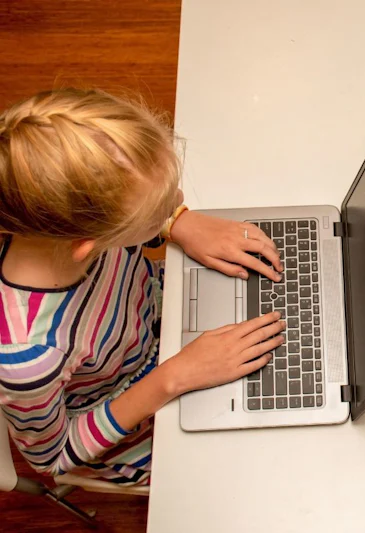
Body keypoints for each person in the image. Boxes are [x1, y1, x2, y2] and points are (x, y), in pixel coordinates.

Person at [0, 89, 287, 485]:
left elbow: (130, 231)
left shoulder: (57, 226)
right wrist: (175, 376)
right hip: (132, 412)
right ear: (89, 243)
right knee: (262, 467)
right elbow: (54, 457)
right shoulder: (28, 357)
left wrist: (177, 222)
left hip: (159, 314)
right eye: (157, 210)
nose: (180, 200)